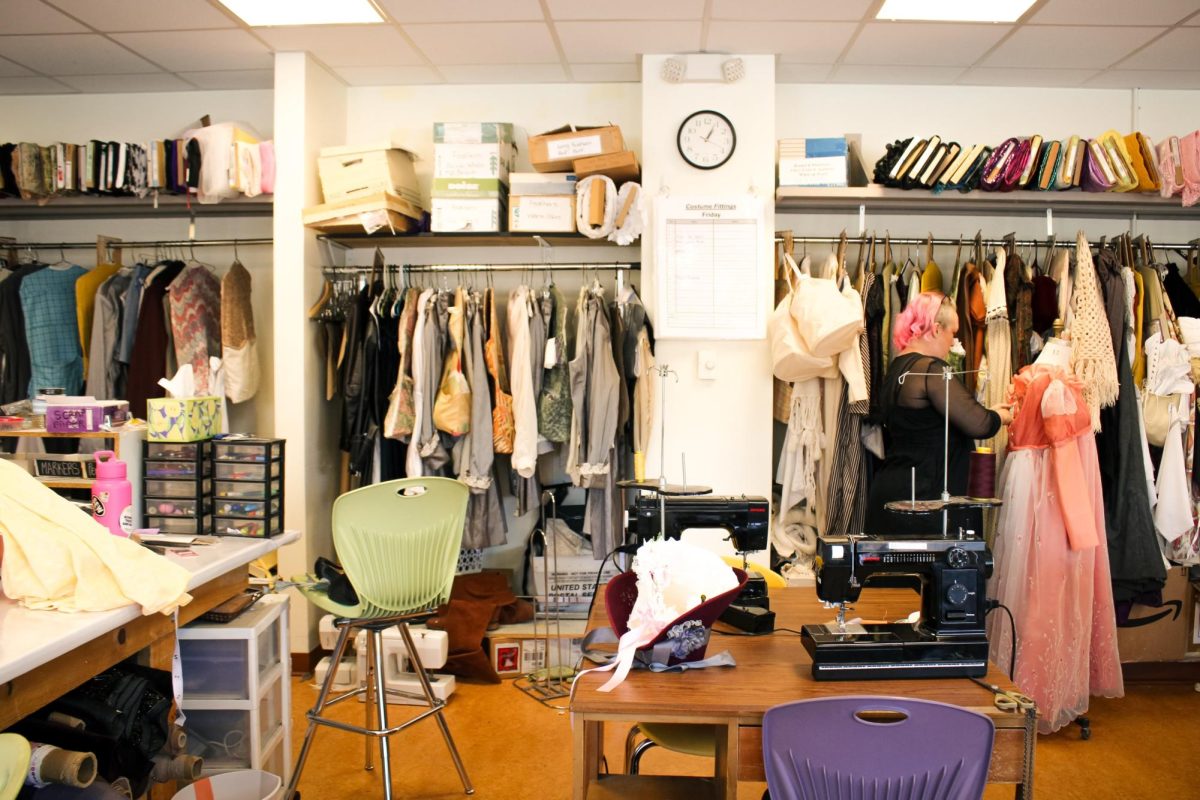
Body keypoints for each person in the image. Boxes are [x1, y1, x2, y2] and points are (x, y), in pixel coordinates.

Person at [864, 291, 1014, 536]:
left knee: (894, 573)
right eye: (953, 334)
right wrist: (1001, 417)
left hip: (894, 493)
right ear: (935, 329)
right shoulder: (931, 370)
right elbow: (980, 424)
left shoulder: (897, 368)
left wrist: (989, 413)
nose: (954, 343)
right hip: (924, 501)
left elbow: (933, 422)